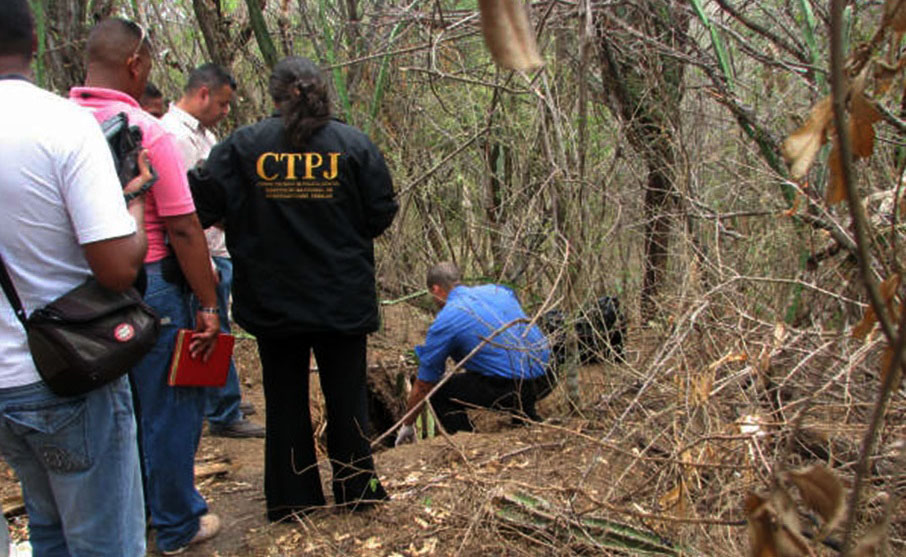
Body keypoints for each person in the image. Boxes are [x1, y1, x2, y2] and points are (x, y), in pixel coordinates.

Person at [189, 56, 397, 521]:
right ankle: (357, 491)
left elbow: (197, 204)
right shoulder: (352, 145)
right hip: (340, 295)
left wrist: (247, 219)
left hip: (273, 295)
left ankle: (291, 498)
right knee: (347, 397)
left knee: (284, 399)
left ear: (275, 95)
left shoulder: (243, 147)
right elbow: (380, 213)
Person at [0, 2, 150, 554]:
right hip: (65, 373)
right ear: (35, 42)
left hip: (3, 383)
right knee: (103, 542)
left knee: (48, 529)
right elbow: (117, 268)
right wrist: (133, 198)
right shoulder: (61, 125)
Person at [70, 18, 222, 555]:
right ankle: (177, 524)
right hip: (152, 283)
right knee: (172, 404)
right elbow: (182, 225)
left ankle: (133, 518)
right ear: (135, 64)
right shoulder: (144, 129)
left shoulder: (58, 123)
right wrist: (208, 304)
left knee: (115, 412)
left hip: (74, 296)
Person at [161, 63, 265, 438]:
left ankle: (220, 398)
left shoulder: (203, 135)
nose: (225, 112)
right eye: (222, 104)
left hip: (218, 247)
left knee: (217, 323)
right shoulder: (175, 137)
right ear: (203, 92)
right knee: (211, 325)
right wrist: (203, 260)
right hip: (202, 250)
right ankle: (223, 409)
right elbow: (186, 209)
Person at [395, 262, 554, 445]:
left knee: (438, 393)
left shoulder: (447, 319)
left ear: (436, 289)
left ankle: (469, 444)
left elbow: (424, 384)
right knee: (504, 361)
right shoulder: (498, 291)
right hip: (547, 375)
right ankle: (526, 418)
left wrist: (407, 424)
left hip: (512, 387)